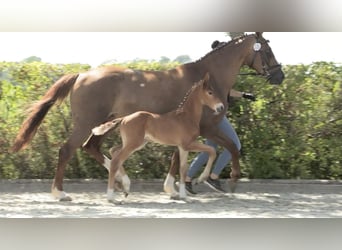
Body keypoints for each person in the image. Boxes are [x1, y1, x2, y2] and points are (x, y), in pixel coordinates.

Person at [184, 40, 256, 194]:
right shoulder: (216, 74)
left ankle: (187, 179)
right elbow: (226, 92)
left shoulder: (213, 73)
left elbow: (227, 91)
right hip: (216, 117)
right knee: (235, 145)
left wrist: (244, 95)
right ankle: (213, 176)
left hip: (211, 116)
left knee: (210, 148)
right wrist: (244, 95)